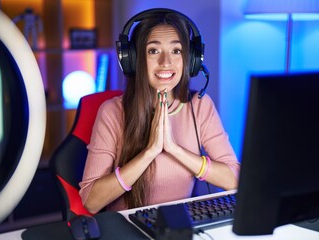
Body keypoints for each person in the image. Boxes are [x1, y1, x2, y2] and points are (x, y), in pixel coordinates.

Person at [79, 9, 240, 214]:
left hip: (177, 227)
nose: (166, 62)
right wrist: (150, 151)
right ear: (134, 59)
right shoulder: (112, 112)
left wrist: (174, 149)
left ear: (190, 60)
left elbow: (234, 179)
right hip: (126, 229)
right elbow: (90, 201)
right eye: (153, 51)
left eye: (176, 51)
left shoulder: (200, 106)